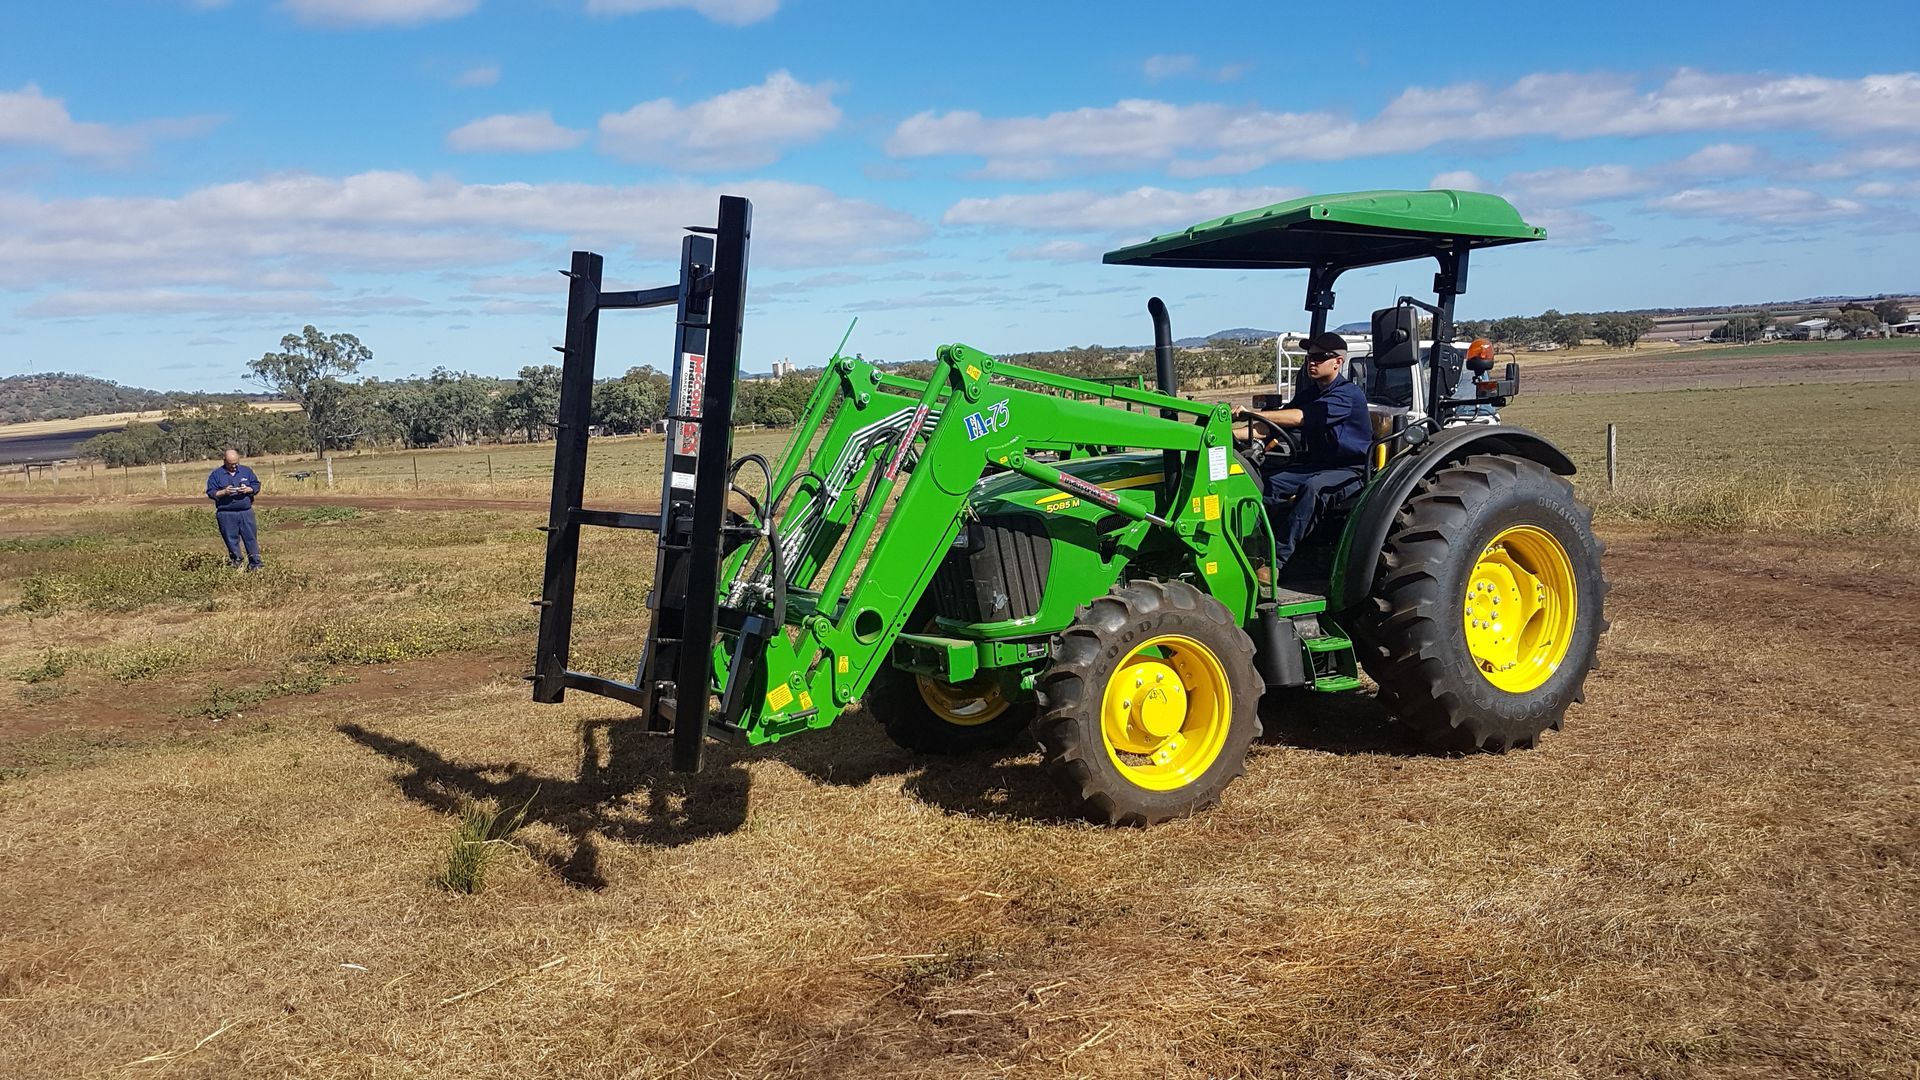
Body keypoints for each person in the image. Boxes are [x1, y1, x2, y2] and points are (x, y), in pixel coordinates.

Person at [1233, 331, 1371, 578]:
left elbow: (1299, 417)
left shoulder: (1347, 395)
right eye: (1309, 357)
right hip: (1319, 464)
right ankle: (1250, 549)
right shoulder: (1310, 394)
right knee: (1270, 483)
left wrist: (1251, 414)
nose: (1312, 362)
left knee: (1314, 488)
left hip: (1352, 470)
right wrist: (1233, 434)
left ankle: (1277, 563)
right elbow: (1272, 426)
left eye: (1319, 357)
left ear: (1338, 362)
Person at [205, 449, 264, 571]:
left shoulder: (246, 471)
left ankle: (255, 564)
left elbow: (256, 485)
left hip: (245, 512)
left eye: (236, 463)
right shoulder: (216, 475)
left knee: (251, 538)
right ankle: (237, 563)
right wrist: (224, 492)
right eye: (231, 464)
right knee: (231, 540)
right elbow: (211, 492)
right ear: (224, 461)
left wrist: (249, 489)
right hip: (226, 514)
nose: (234, 466)